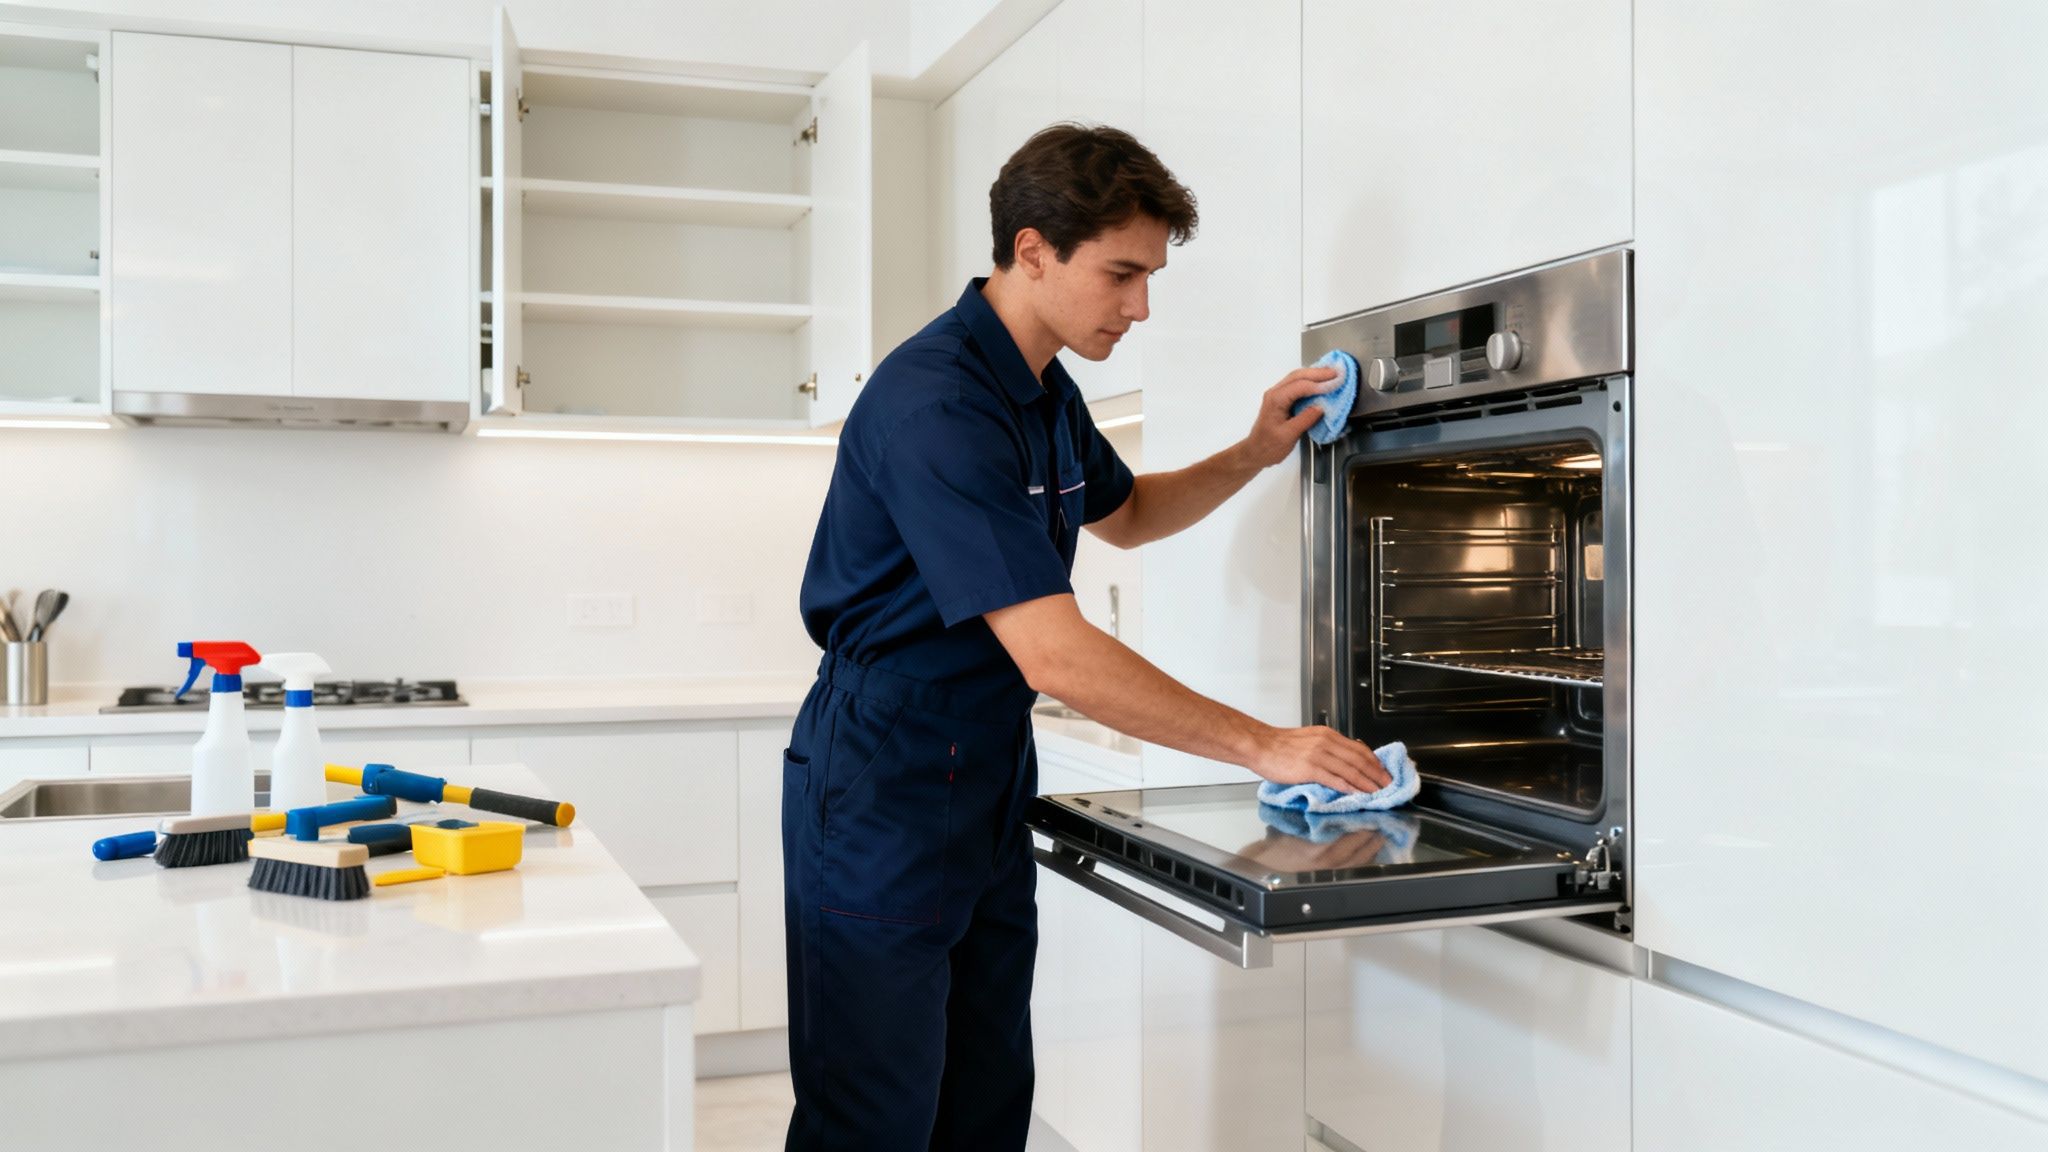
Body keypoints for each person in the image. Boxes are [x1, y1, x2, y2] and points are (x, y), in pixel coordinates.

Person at [782, 123, 1390, 1151]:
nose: (1140, 305)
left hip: (979, 767)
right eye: (1120, 274)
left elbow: (1128, 513)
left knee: (981, 1097)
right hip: (882, 774)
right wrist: (1264, 744)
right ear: (1031, 250)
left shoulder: (1046, 392)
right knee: (872, 1114)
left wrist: (1251, 451)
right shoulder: (938, 402)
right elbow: (1056, 655)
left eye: (1148, 275)